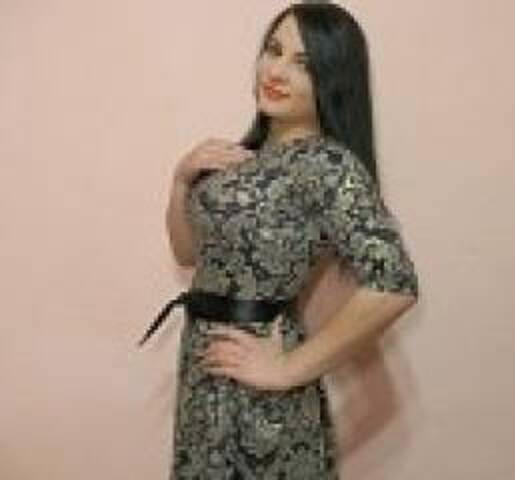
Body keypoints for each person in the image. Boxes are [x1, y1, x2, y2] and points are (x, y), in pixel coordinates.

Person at [138, 2, 420, 478]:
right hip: (203, 371)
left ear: (332, 79)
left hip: (260, 388)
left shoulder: (328, 165)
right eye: (274, 50)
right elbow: (188, 255)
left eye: (303, 63)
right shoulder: (238, 156)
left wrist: (288, 368)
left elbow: (394, 284)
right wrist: (181, 181)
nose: (276, 70)